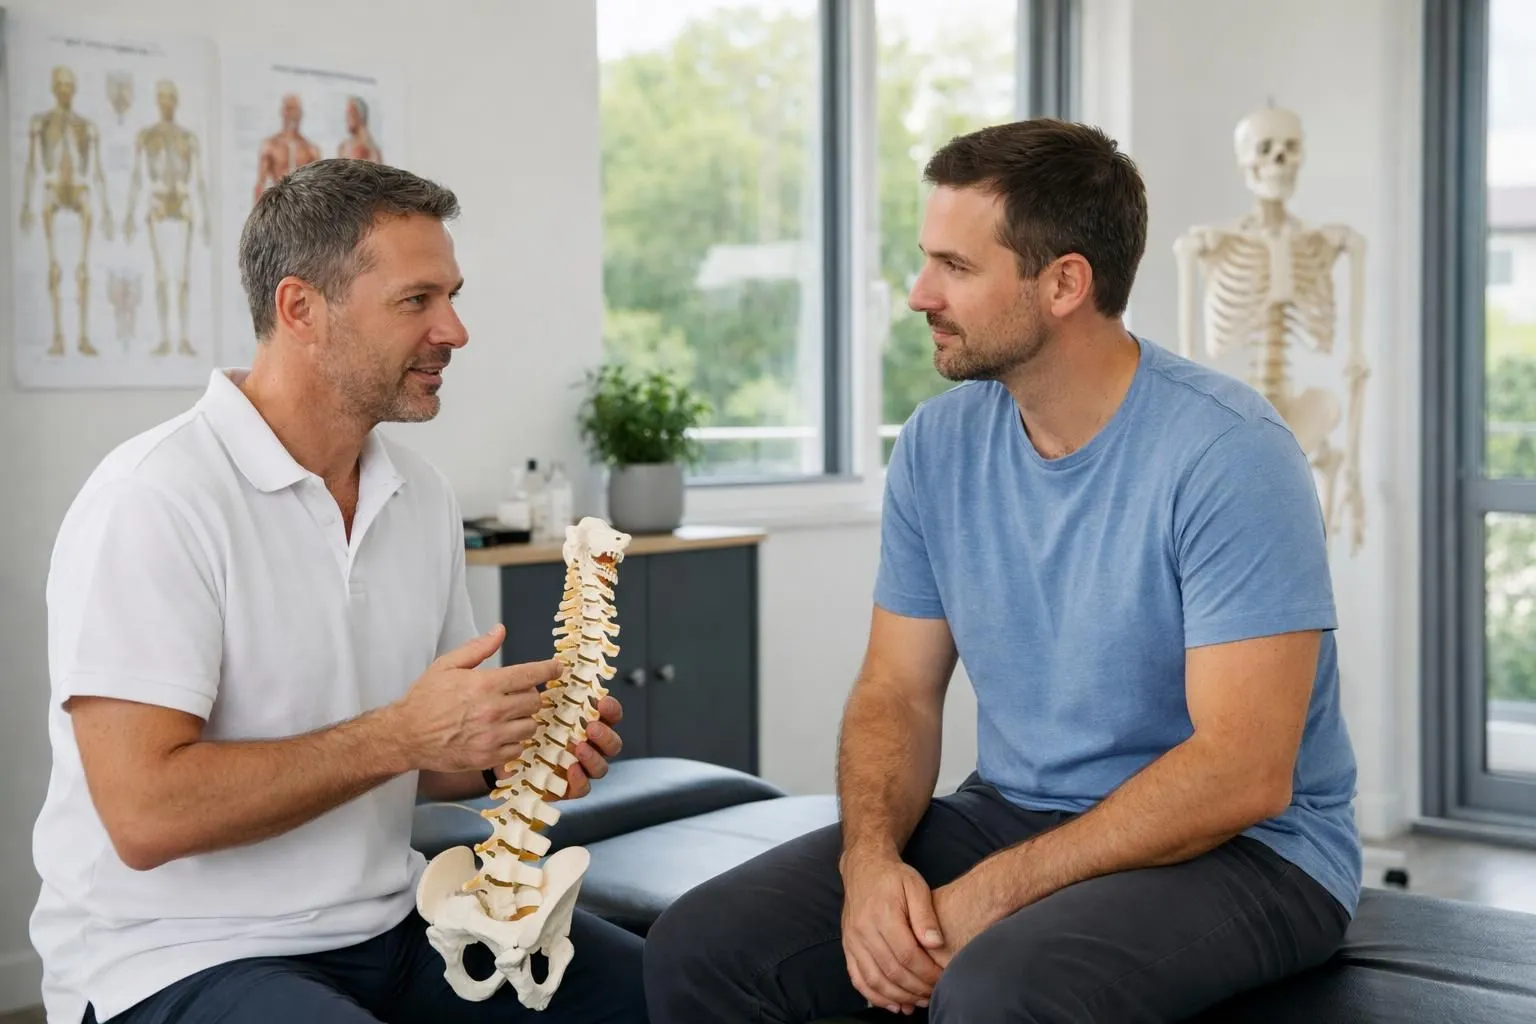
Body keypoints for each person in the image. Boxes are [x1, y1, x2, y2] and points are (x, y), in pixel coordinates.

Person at [643, 118, 1361, 1023]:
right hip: (1015, 810)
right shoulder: (936, 445)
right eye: (926, 260)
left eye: (955, 266)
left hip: (1253, 850)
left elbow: (1242, 772)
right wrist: (870, 864)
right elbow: (897, 692)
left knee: (996, 992)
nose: (919, 294)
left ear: (1064, 283)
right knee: (702, 947)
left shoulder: (1230, 453)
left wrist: (996, 891)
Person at [30, 158, 648, 1024]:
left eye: (451, 296)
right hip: (177, 954)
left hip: (395, 924)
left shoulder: (419, 495)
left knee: (676, 990)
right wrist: (400, 734)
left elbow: (426, 757)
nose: (455, 330)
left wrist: (504, 752)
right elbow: (145, 816)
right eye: (416, 300)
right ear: (300, 310)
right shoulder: (154, 499)